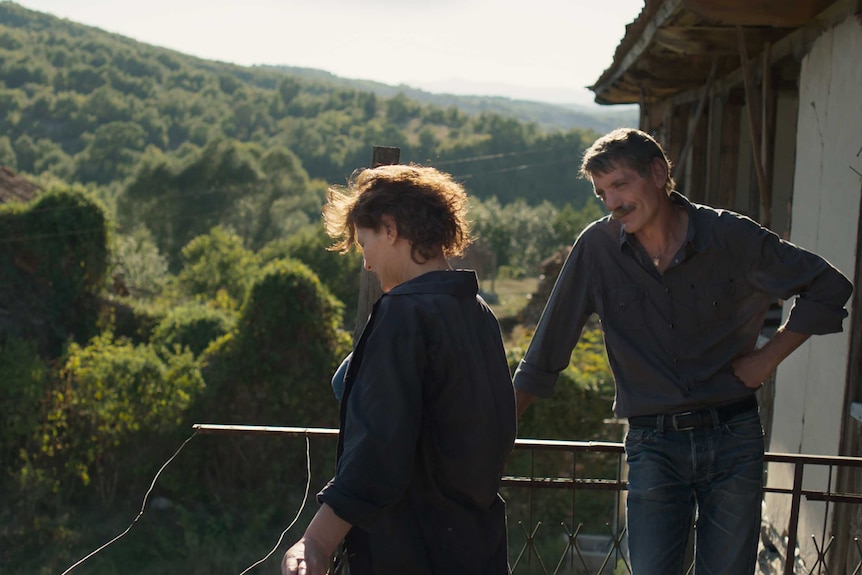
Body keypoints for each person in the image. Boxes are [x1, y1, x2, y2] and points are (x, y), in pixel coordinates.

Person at [512, 128, 852, 574]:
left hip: (733, 437)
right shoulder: (596, 250)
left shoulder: (729, 236)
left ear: (658, 173)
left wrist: (768, 358)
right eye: (602, 193)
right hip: (653, 444)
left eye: (620, 185)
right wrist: (496, 430)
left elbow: (828, 287)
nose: (612, 202)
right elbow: (544, 353)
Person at [282, 164, 516, 575]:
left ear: (389, 228)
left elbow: (378, 450)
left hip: (412, 548)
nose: (368, 265)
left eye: (364, 244)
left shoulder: (404, 313)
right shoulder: (478, 313)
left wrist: (316, 542)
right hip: (476, 548)